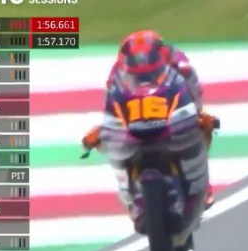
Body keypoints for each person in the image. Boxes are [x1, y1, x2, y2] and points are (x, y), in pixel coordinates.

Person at [81, 30, 219, 210]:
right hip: (137, 116)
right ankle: (127, 187)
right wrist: (109, 127)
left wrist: (196, 113)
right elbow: (111, 103)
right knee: (113, 141)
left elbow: (194, 92)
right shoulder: (116, 72)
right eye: (137, 74)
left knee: (202, 126)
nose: (144, 78)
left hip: (168, 109)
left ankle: (202, 182)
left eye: (149, 74)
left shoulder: (179, 63)